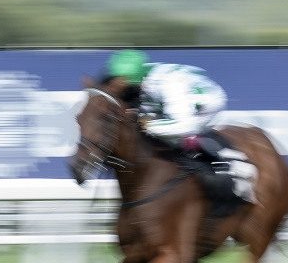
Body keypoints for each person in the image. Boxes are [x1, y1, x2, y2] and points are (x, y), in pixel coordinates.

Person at [101, 49, 255, 203]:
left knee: (175, 136)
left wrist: (147, 125)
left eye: (122, 85)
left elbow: (184, 125)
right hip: (170, 100)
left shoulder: (169, 85)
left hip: (205, 103)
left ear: (134, 80)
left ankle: (229, 159)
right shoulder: (140, 78)